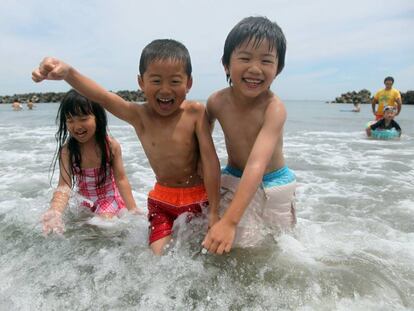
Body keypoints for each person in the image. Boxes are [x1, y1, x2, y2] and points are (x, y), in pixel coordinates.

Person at [32, 39, 221, 255]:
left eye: (175, 81)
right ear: (141, 82)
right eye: (156, 80)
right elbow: (103, 96)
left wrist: (215, 212)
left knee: (206, 256)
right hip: (163, 201)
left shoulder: (195, 112)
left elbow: (210, 161)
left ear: (189, 83)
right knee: (158, 259)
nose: (165, 89)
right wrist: (68, 73)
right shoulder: (139, 116)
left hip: (198, 197)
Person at [202, 16, 296, 254]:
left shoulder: (274, 108)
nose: (255, 69)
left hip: (274, 183)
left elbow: (257, 164)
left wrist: (231, 222)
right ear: (226, 64)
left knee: (277, 249)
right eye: (244, 58)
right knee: (230, 247)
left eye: (266, 61)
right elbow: (202, 147)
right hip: (234, 177)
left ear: (278, 69)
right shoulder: (216, 102)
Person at [42, 89, 140, 235]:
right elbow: (64, 185)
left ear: (98, 117)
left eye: (83, 119)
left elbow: (121, 179)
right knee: (76, 231)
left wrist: (133, 210)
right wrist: (55, 211)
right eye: (70, 120)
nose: (77, 126)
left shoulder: (111, 146)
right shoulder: (68, 150)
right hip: (84, 202)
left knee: (104, 225)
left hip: (108, 198)